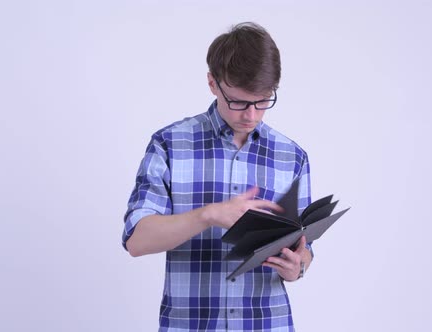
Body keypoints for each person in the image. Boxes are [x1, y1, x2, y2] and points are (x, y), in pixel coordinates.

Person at [122, 22, 314, 331]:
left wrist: (298, 266)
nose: (251, 115)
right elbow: (136, 241)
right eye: (238, 102)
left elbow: (304, 247)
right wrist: (209, 215)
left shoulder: (292, 157)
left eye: (263, 100)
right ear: (213, 83)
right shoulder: (170, 144)